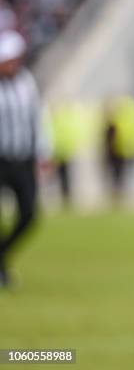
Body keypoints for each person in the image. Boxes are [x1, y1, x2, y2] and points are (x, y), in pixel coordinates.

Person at [0, 30, 45, 287]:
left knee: (28, 214)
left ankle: (2, 254)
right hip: (0, 159)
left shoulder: (26, 81)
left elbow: (37, 117)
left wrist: (42, 151)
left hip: (22, 158)